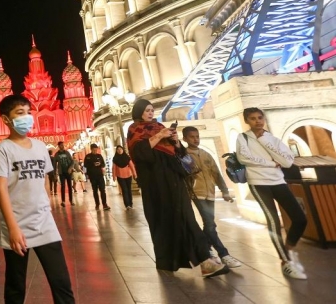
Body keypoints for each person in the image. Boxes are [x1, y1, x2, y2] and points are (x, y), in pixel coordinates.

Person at [127, 99, 227, 277]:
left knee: (186, 216)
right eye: (147, 110)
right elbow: (140, 153)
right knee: (164, 219)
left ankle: (205, 259)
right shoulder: (135, 129)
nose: (150, 113)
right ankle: (169, 260)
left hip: (174, 179)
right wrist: (159, 136)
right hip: (155, 184)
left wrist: (175, 141)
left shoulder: (159, 126)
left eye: (152, 110)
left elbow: (180, 154)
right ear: (139, 112)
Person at [0, 95, 75, 304]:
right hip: (16, 224)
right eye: (20, 113)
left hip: (44, 223)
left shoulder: (39, 147)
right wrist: (12, 228)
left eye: (28, 112)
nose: (26, 118)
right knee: (16, 284)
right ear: (6, 119)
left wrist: (45, 205)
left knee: (61, 281)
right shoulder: (2, 149)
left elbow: (45, 180)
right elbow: (1, 190)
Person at [235, 107, 307, 279]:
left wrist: (265, 143)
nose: (257, 121)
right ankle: (285, 261)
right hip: (258, 183)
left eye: (260, 117)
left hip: (278, 182)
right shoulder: (243, 137)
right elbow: (244, 158)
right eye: (252, 118)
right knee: (273, 220)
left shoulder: (272, 139)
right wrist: (270, 163)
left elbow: (287, 162)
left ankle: (288, 250)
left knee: (300, 218)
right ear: (247, 121)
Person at [182, 127, 242, 269]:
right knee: (210, 224)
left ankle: (207, 251)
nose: (195, 139)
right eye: (191, 137)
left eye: (197, 136)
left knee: (209, 224)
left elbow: (215, 173)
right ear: (184, 139)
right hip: (197, 193)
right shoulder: (184, 155)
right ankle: (224, 254)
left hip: (210, 193)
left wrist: (224, 191)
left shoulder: (206, 154)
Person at [84, 144, 109, 210]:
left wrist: (100, 164)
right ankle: (97, 204)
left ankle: (104, 204)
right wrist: (92, 165)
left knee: (102, 190)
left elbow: (103, 164)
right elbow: (85, 166)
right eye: (94, 150)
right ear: (91, 149)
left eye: (96, 149)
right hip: (92, 176)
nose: (95, 151)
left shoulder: (99, 156)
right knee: (95, 190)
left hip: (100, 175)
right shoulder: (87, 157)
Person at [111, 145, 137, 210]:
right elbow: (113, 168)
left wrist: (134, 174)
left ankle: (130, 203)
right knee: (124, 190)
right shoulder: (115, 159)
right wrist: (114, 176)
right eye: (118, 149)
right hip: (120, 176)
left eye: (120, 149)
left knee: (129, 190)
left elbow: (132, 166)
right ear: (116, 151)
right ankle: (127, 205)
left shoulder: (127, 157)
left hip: (128, 175)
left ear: (123, 150)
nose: (119, 150)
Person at [54, 143, 74, 207]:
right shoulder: (56, 154)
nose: (62, 146)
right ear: (58, 146)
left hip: (68, 172)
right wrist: (55, 174)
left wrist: (70, 168)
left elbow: (72, 161)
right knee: (63, 186)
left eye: (63, 145)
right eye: (60, 145)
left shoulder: (67, 153)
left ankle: (71, 200)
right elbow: (54, 165)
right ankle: (63, 201)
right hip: (61, 172)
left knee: (70, 186)